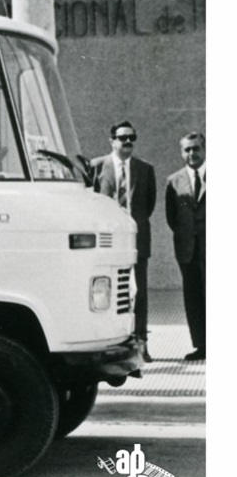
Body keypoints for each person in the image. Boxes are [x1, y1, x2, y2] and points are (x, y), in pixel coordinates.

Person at [91, 121, 156, 361]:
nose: (128, 142)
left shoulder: (145, 170)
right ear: (112, 141)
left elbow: (148, 205)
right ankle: (107, 343)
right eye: (123, 138)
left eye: (132, 137)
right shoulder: (97, 166)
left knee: (138, 293)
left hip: (136, 240)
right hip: (107, 242)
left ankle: (141, 343)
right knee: (106, 292)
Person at [166, 132, 206, 361]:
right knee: (193, 299)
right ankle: (201, 346)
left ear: (204, 149)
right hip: (188, 251)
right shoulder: (175, 181)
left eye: (196, 148)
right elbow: (174, 217)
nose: (191, 153)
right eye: (187, 149)